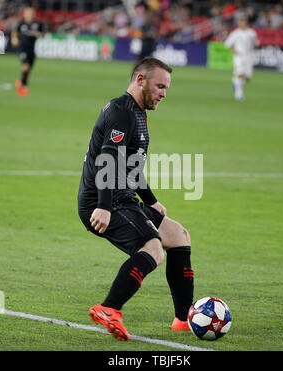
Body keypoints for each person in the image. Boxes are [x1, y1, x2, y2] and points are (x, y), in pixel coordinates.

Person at [78, 58, 194, 341]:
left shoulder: (138, 112)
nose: (164, 93)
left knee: (179, 236)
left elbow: (131, 166)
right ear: (140, 80)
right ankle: (109, 308)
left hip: (123, 196)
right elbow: (108, 159)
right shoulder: (121, 112)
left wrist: (151, 201)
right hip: (105, 200)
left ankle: (183, 318)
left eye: (166, 88)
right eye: (160, 86)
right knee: (153, 248)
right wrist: (103, 207)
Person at [225, 17, 259, 101]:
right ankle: (239, 95)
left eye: (244, 23)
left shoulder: (252, 33)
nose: (242, 24)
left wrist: (254, 47)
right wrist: (235, 51)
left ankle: (235, 82)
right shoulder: (235, 33)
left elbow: (256, 43)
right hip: (239, 57)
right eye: (241, 23)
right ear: (239, 24)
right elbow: (227, 44)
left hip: (249, 56)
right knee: (240, 74)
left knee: (247, 78)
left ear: (247, 24)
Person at [11, 7, 43, 97]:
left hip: (31, 49)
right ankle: (23, 86)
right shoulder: (21, 23)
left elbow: (43, 34)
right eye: (27, 13)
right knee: (26, 66)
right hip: (22, 48)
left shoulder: (38, 23)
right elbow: (15, 32)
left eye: (31, 13)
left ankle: (21, 81)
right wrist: (14, 39)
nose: (29, 14)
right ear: (24, 14)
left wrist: (38, 34)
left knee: (29, 69)